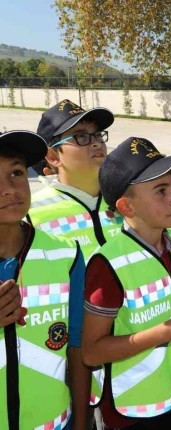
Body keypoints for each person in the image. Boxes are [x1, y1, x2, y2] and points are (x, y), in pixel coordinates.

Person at [83, 137, 171, 429]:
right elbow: (92, 351)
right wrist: (165, 332)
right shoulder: (107, 264)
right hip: (139, 411)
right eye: (161, 190)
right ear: (127, 207)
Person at [29, 100, 171, 261]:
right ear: (53, 156)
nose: (96, 143)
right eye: (81, 137)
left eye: (98, 134)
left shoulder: (134, 200)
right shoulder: (32, 214)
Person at [0, 130, 86, 430]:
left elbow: (75, 346)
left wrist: (81, 423)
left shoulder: (66, 254)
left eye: (16, 172)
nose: (9, 188)